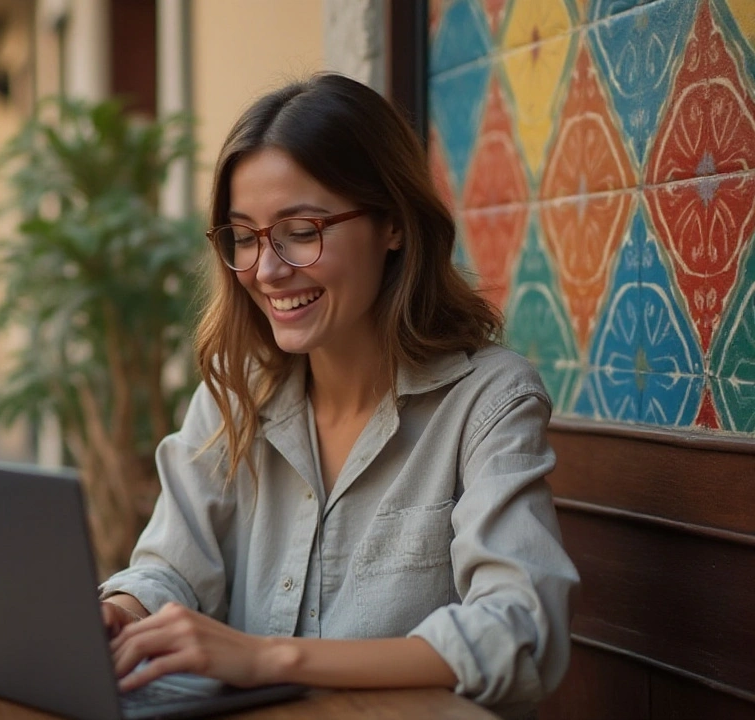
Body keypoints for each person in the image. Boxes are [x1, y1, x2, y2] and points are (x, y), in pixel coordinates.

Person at [97, 73, 579, 719]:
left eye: (300, 229)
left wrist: (267, 658)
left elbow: (517, 634)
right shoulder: (234, 396)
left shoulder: (487, 401)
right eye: (244, 236)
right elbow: (173, 570)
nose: (267, 270)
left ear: (394, 226)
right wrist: (120, 612)